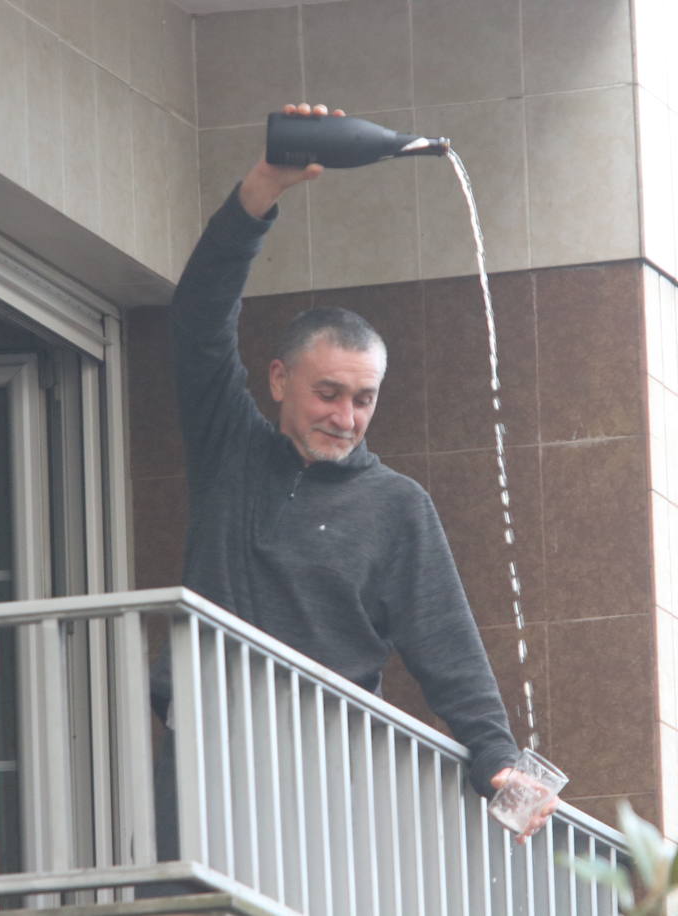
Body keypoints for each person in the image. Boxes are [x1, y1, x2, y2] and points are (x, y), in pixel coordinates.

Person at [152, 103, 558, 862]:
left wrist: (495, 757)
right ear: (278, 380)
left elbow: (447, 647)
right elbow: (199, 318)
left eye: (363, 399)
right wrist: (262, 188)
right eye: (327, 393)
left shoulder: (395, 506)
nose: (346, 416)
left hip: (326, 776)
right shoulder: (229, 445)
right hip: (203, 755)